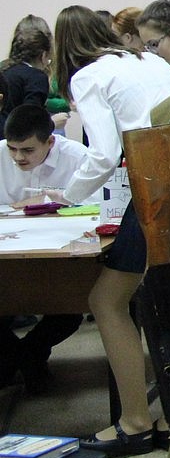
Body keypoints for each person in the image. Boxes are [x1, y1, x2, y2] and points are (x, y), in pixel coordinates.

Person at [51, 3, 170, 456]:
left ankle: (134, 422)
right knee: (164, 304)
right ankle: (169, 416)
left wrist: (67, 195)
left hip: (154, 187)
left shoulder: (89, 77)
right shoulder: (147, 60)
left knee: (106, 301)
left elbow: (105, 153)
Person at [0, 105, 89, 392]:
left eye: (27, 150)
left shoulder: (79, 159)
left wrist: (51, 203)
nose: (18, 157)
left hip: (60, 256)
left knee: (70, 310)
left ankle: (25, 355)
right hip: (10, 255)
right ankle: (25, 358)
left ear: (50, 141)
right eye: (12, 149)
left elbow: (98, 206)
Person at [0, 18, 53, 132]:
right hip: (15, 136)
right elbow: (31, 118)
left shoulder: (4, 69)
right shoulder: (36, 77)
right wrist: (52, 123)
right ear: (43, 55)